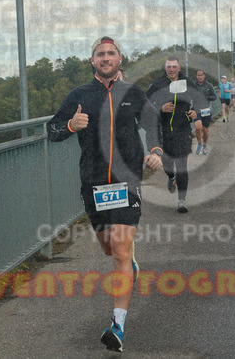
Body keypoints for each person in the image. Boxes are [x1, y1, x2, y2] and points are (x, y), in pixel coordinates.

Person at [47, 36, 163, 352]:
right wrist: (71, 125)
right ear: (92, 61)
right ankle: (128, 263)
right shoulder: (79, 95)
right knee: (109, 249)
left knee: (121, 251)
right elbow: (51, 130)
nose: (106, 57)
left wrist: (155, 150)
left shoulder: (133, 93)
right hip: (94, 184)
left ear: (120, 59)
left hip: (127, 183)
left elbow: (152, 123)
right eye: (100, 54)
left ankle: (117, 326)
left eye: (111, 53)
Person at [146, 56, 202, 213]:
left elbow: (199, 99)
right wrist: (160, 109)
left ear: (179, 68)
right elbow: (145, 103)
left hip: (183, 130)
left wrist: (195, 112)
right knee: (168, 164)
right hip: (164, 130)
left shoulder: (187, 82)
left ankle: (182, 201)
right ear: (165, 68)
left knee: (182, 166)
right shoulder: (158, 84)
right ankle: (171, 177)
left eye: (174, 67)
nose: (171, 69)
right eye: (169, 67)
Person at [194, 69, 217, 155]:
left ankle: (204, 145)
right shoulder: (193, 85)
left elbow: (214, 97)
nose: (200, 77)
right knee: (197, 127)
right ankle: (199, 143)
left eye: (201, 75)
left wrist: (207, 97)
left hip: (206, 110)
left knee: (205, 129)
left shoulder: (209, 85)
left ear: (204, 76)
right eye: (198, 75)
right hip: (196, 109)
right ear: (196, 76)